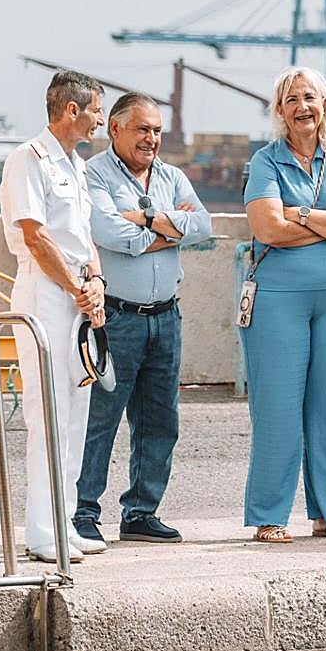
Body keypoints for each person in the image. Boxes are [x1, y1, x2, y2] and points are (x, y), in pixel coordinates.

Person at [241, 66, 326, 543]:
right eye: (292, 99)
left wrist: (301, 214)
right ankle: (269, 516)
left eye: (311, 98)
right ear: (280, 110)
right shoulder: (265, 162)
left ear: (325, 105)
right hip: (278, 300)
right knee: (277, 410)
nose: (303, 107)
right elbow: (268, 230)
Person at [74, 93, 212, 549]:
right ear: (115, 129)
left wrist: (147, 218)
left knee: (159, 421)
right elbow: (107, 231)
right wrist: (170, 232)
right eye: (141, 129)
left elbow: (204, 227)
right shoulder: (93, 174)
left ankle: (141, 512)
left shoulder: (172, 176)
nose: (151, 138)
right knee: (101, 418)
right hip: (117, 318)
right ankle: (84, 512)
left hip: (166, 318)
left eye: (156, 130)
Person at [0, 70, 107, 563]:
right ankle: (42, 531)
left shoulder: (77, 166)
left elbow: (84, 238)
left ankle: (65, 520)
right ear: (71, 110)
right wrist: (75, 288)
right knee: (49, 414)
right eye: (96, 112)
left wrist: (96, 286)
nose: (100, 121)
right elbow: (36, 236)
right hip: (45, 294)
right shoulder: (29, 159)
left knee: (77, 415)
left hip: (78, 295)